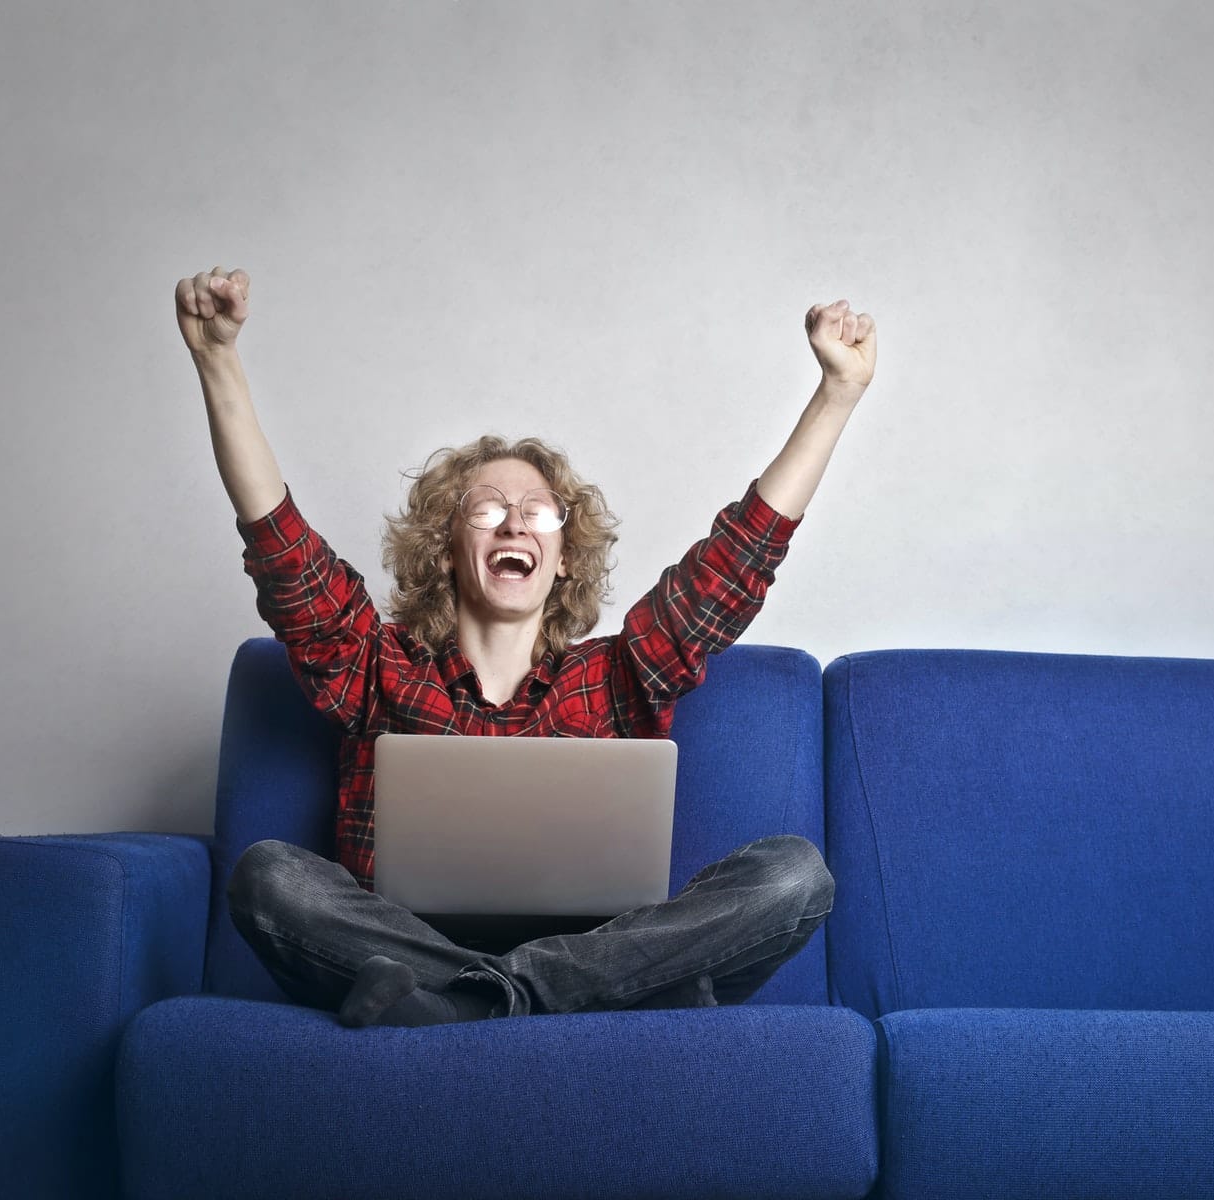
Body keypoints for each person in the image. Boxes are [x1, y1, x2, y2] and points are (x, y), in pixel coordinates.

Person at [175, 265, 877, 1026]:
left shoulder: (616, 677)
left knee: (793, 875)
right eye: (488, 509)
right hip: (405, 945)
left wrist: (836, 395)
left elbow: (738, 559)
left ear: (565, 555)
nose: (515, 524)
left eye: (539, 513)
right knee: (270, 876)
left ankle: (471, 1005)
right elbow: (283, 554)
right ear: (447, 547)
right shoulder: (377, 668)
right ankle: (553, 1000)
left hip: (586, 949)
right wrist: (218, 361)